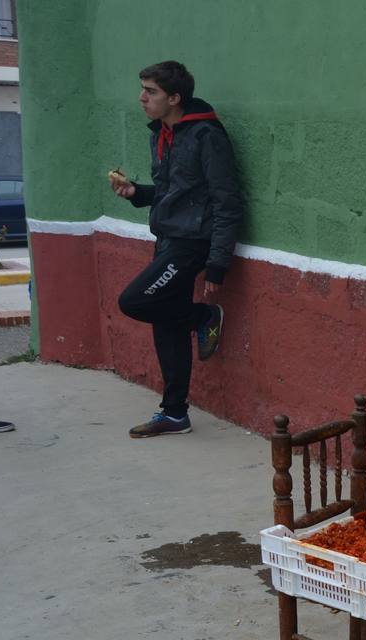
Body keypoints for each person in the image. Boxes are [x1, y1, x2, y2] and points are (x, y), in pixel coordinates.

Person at [109, 60, 244, 438]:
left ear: (174, 97)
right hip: (168, 238)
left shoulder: (206, 135)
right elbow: (174, 193)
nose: (141, 98)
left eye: (150, 91)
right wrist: (137, 193)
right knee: (166, 324)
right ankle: (174, 414)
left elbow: (226, 201)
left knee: (134, 301)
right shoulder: (162, 134)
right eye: (143, 89)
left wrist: (217, 264)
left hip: (192, 244)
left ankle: (202, 316)